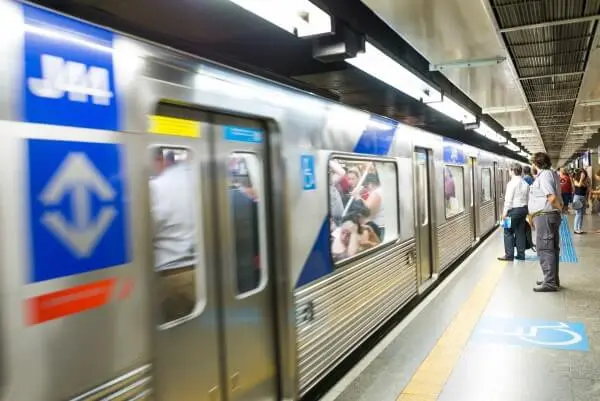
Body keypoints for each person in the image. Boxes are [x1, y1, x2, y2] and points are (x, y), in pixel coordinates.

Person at [150, 148, 197, 322]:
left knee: (178, 343)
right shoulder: (199, 180)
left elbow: (143, 234)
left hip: (174, 279)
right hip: (207, 273)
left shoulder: (157, 187)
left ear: (160, 159)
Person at [528, 152, 562, 292]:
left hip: (546, 216)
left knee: (545, 249)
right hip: (546, 216)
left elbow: (551, 197)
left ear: (536, 163)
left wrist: (560, 209)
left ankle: (550, 282)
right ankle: (552, 279)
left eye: (532, 163)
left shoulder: (546, 175)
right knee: (551, 248)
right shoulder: (549, 174)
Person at [498, 164, 529, 261]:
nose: (509, 172)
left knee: (507, 231)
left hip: (512, 211)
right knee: (520, 232)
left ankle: (509, 255)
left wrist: (504, 213)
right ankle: (521, 254)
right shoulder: (525, 183)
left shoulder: (511, 184)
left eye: (509, 170)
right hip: (523, 210)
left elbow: (508, 200)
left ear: (512, 171)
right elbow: (528, 198)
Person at [572, 169, 589, 234]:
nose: (584, 175)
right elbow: (579, 185)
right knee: (578, 214)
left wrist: (587, 201)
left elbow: (586, 190)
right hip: (577, 198)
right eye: (582, 174)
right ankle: (575, 229)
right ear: (579, 174)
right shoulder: (575, 180)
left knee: (581, 214)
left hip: (583, 198)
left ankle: (579, 228)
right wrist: (581, 178)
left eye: (584, 174)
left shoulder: (585, 181)